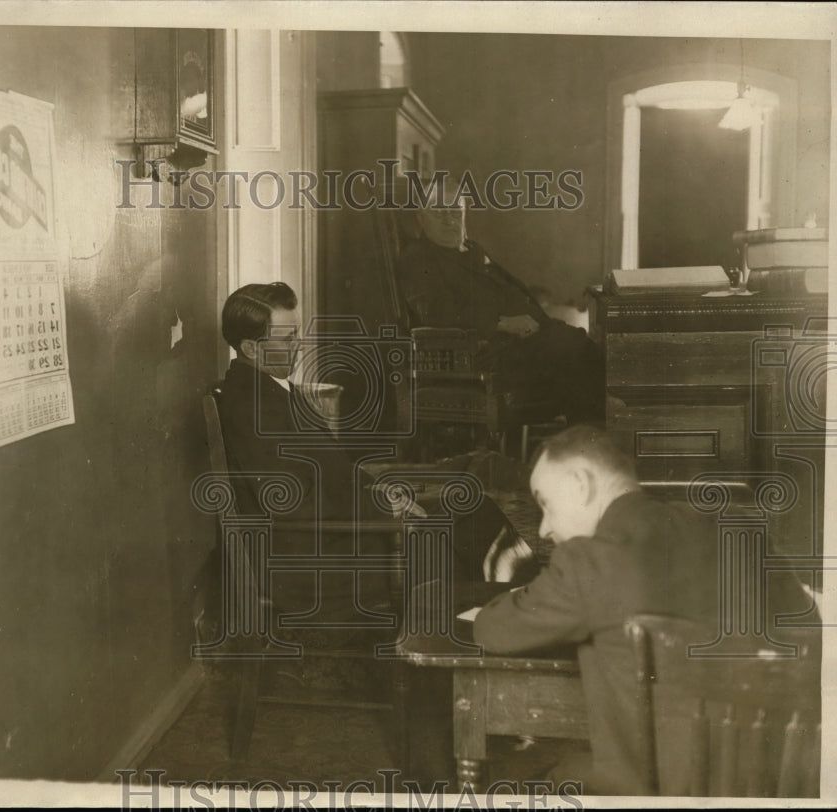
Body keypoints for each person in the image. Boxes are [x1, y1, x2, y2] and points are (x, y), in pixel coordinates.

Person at [472, 424, 820, 795]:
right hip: (772, 789)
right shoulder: (743, 532)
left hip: (647, 793)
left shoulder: (588, 562)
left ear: (579, 484)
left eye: (545, 504)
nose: (544, 528)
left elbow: (492, 629)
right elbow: (810, 635)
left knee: (535, 781)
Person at [216, 281, 530, 621]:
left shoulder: (270, 390)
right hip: (313, 558)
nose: (299, 346)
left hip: (337, 527)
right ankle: (509, 615)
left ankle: (527, 601)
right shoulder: (250, 406)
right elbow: (292, 502)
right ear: (250, 348)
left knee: (472, 505)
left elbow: (327, 469)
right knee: (444, 533)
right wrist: (380, 506)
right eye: (287, 338)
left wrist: (378, 489)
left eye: (298, 334)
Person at [396, 177, 606, 424]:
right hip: (483, 353)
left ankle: (584, 440)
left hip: (519, 342)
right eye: (438, 211)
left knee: (583, 348)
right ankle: (584, 443)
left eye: (455, 210)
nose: (448, 219)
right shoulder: (418, 259)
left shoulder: (471, 250)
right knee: (578, 353)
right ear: (420, 217)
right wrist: (502, 323)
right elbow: (436, 313)